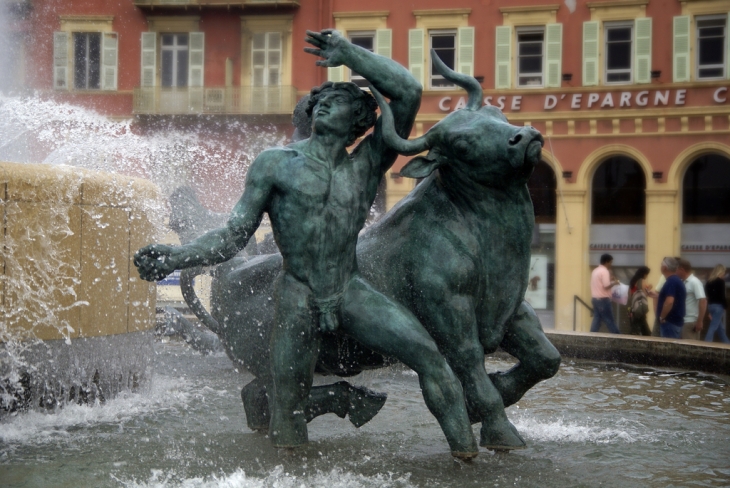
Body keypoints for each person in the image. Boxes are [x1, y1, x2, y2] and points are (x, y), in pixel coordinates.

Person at [134, 29, 479, 458]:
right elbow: (233, 234)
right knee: (288, 406)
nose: (324, 105)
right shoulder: (275, 165)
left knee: (430, 358)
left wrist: (350, 55)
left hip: (350, 290)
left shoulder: (368, 163)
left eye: (337, 102)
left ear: (358, 120)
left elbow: (408, 90)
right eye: (321, 101)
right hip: (297, 294)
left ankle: (468, 458)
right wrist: (176, 255)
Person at [676, 259, 707, 341]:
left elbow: (703, 301)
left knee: (689, 349)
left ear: (682, 269)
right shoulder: (683, 282)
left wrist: (700, 321)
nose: (675, 272)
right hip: (683, 321)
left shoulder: (694, 282)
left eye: (676, 270)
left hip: (690, 322)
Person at [590, 253, 621, 334]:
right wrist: (615, 283)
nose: (611, 264)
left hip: (595, 299)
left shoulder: (595, 271)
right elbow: (606, 286)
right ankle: (619, 338)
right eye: (610, 262)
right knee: (610, 320)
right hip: (603, 300)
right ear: (606, 262)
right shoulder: (605, 271)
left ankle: (591, 336)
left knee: (597, 320)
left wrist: (610, 279)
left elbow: (599, 284)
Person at [656, 257, 686, 339]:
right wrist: (657, 296)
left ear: (664, 267)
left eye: (661, 264)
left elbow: (669, 302)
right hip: (675, 322)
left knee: (667, 349)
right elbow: (675, 298)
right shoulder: (677, 281)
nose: (660, 266)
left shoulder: (671, 281)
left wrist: (662, 317)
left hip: (670, 323)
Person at [704, 264, 730, 343]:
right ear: (720, 271)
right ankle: (707, 343)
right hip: (718, 306)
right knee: (713, 326)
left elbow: (707, 295)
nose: (724, 274)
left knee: (720, 328)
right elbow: (722, 295)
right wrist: (725, 306)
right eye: (723, 272)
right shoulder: (720, 282)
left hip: (711, 305)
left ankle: (727, 344)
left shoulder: (709, 282)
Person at [627, 266, 652, 336]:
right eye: (647, 274)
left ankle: (641, 335)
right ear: (644, 274)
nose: (647, 276)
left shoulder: (633, 281)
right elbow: (643, 294)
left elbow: (630, 294)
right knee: (641, 326)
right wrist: (649, 288)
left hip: (634, 306)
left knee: (637, 324)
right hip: (640, 307)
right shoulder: (641, 281)